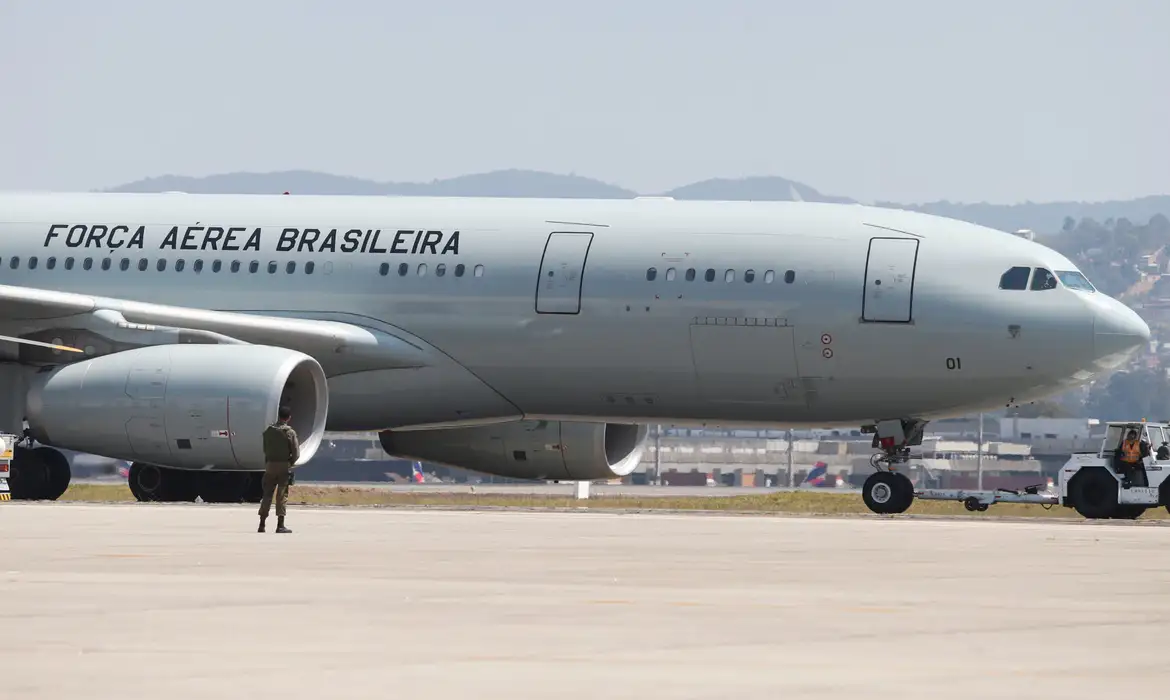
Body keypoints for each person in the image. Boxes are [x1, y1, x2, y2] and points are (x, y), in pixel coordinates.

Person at [258, 405, 299, 533]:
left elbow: (265, 448)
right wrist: (289, 463)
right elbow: (296, 453)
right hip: (283, 466)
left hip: (270, 465)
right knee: (282, 495)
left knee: (267, 494)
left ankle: (262, 524)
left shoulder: (269, 431)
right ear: (289, 418)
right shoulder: (289, 432)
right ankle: (280, 525)